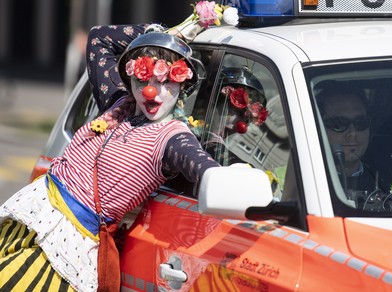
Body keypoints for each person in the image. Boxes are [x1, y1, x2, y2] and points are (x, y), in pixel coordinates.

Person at [0, 18, 226, 291]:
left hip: (60, 252)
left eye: (164, 80)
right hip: (31, 222)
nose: (151, 90)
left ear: (182, 86)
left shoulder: (172, 139)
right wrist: (161, 34)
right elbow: (98, 39)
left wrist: (228, 181)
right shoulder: (119, 102)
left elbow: (204, 168)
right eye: (142, 78)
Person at [317, 84, 392, 212]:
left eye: (360, 122)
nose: (352, 133)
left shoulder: (385, 179)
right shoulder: (302, 179)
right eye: (339, 124)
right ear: (318, 128)